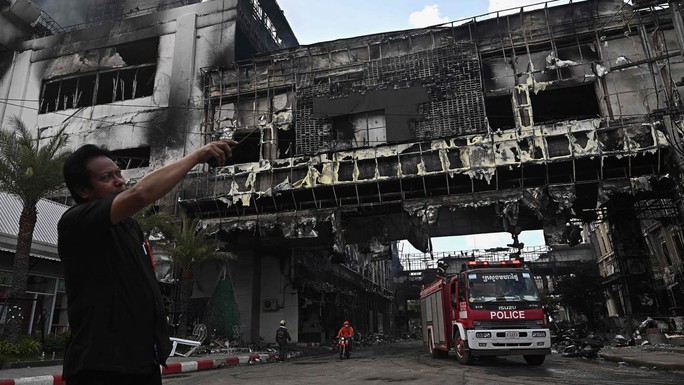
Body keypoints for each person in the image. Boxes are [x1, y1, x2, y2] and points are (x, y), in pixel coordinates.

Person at [58, 140, 236, 385]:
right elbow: (140, 194)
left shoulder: (129, 227)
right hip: (100, 366)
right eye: (106, 177)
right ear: (83, 190)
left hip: (142, 363)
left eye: (119, 173)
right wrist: (197, 156)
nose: (119, 180)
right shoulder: (76, 222)